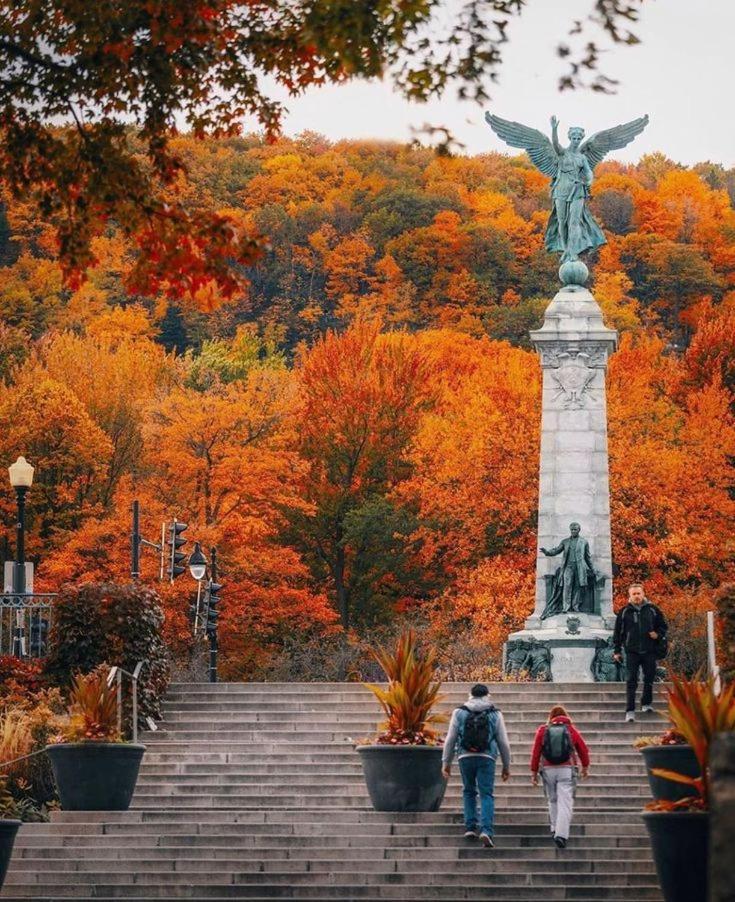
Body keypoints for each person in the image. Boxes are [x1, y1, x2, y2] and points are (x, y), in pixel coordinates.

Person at [441, 683, 511, 848]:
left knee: (468, 790)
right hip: (487, 757)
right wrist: (506, 766)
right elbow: (503, 742)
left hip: (465, 756)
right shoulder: (495, 714)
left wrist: (446, 762)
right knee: (486, 794)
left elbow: (450, 739)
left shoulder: (459, 712)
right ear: (488, 695)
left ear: (470, 694)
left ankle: (470, 827)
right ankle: (486, 830)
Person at [530, 705, 590, 849]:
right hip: (566, 768)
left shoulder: (543, 730)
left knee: (553, 800)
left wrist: (533, 772)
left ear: (551, 717)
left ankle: (554, 828)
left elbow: (536, 752)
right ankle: (561, 834)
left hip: (548, 769)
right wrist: (585, 766)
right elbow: (583, 749)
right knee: (565, 802)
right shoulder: (571, 730)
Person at [613, 583, 668, 722]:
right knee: (631, 681)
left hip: (650, 650)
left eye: (639, 593)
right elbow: (617, 632)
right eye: (634, 594)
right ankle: (630, 710)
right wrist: (617, 650)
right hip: (631, 651)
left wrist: (658, 634)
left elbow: (664, 626)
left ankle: (646, 703)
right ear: (629, 596)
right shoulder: (624, 611)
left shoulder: (653, 610)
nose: (636, 596)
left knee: (649, 678)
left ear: (643, 594)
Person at [540, 522, 595, 614]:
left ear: (579, 530)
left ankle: (575, 606)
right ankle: (566, 607)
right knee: (567, 586)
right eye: (572, 530)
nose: (573, 531)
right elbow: (556, 550)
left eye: (575, 530)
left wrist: (592, 569)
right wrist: (547, 552)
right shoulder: (565, 541)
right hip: (568, 567)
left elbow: (587, 557)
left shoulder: (584, 542)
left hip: (579, 568)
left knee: (578, 587)